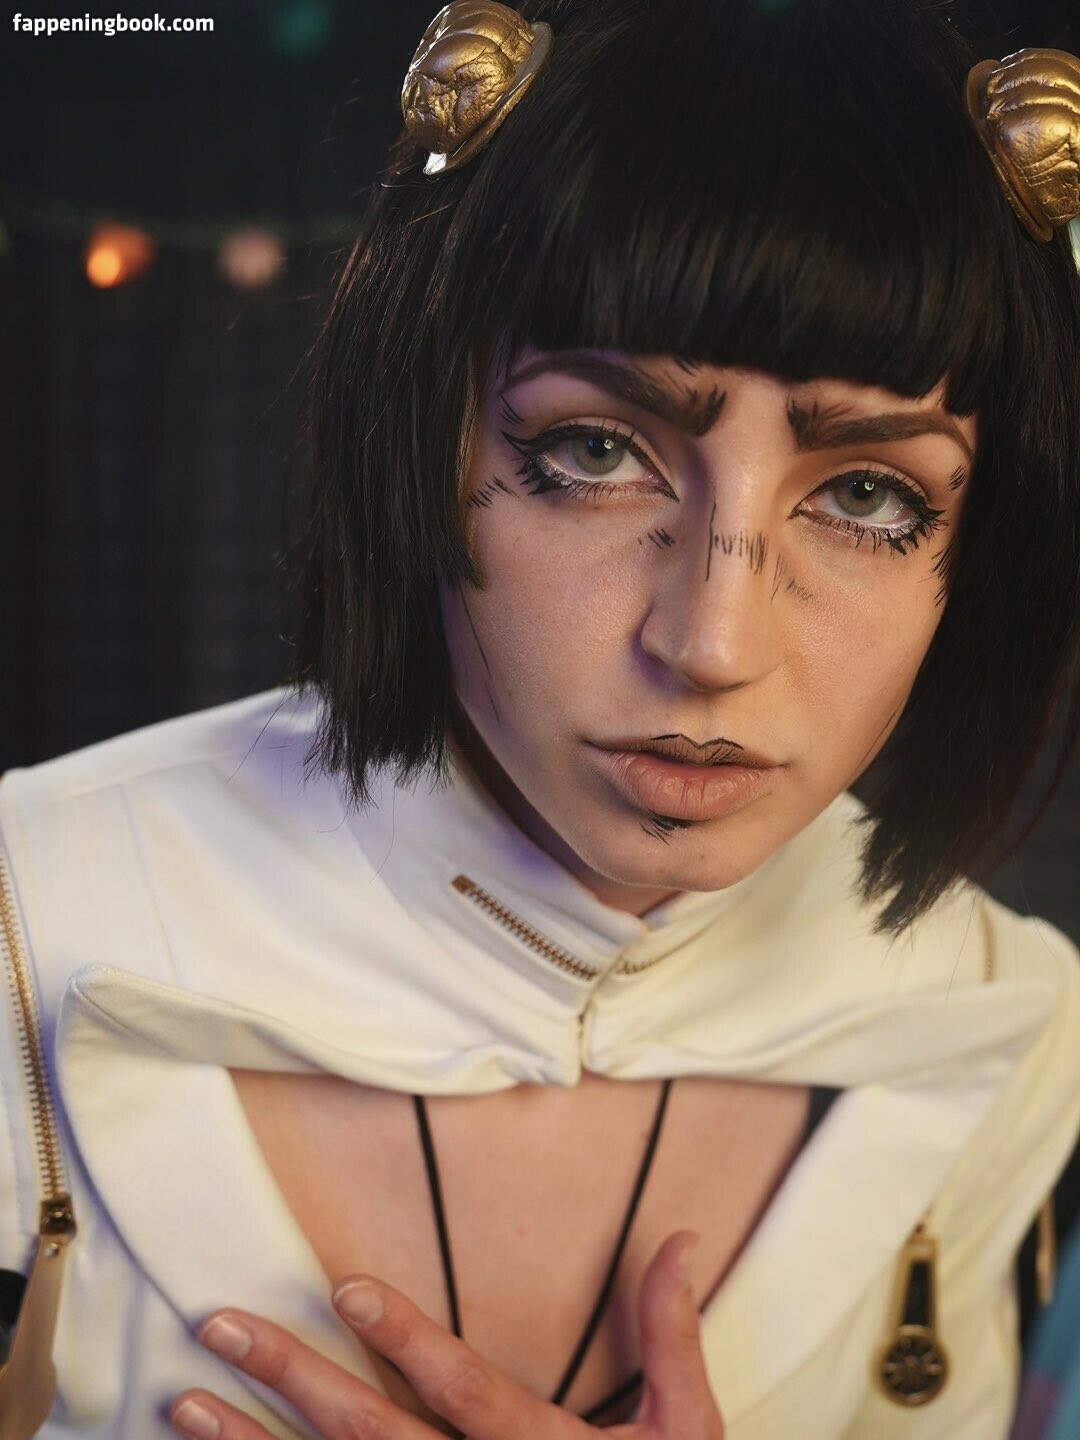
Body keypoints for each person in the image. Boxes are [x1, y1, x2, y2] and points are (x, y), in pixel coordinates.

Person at [1, 1, 1079, 1437]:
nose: (711, 645)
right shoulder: (24, 913)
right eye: (594, 450)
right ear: (417, 443)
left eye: (870, 495)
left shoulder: (1012, 1014)